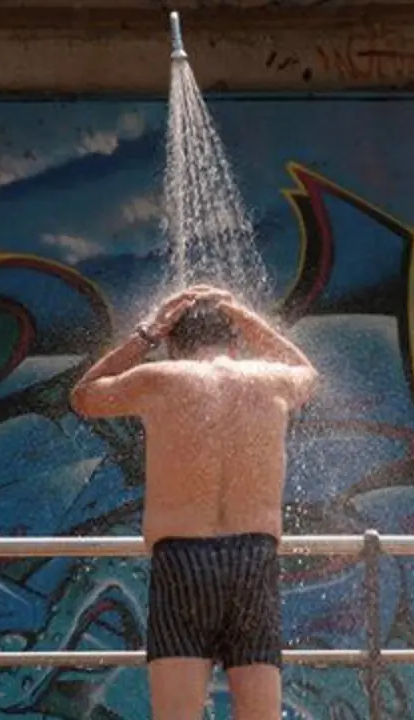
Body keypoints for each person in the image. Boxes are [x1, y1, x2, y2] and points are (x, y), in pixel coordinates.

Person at [70, 285, 319, 720]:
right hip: (253, 558)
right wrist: (246, 317)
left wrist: (146, 334)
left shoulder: (157, 379)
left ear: (172, 342)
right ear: (235, 341)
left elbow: (84, 395)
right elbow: (308, 373)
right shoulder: (273, 381)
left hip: (182, 558)